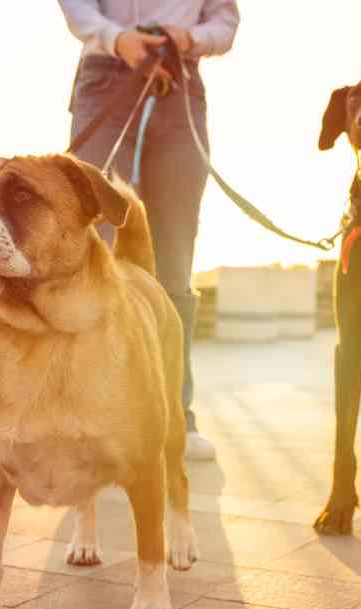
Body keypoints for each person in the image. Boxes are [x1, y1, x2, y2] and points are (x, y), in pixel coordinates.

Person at [58, 0, 239, 461]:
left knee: (174, 261)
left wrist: (190, 39)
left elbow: (224, 19)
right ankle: (89, 414)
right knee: (95, 253)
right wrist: (117, 37)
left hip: (181, 85)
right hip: (107, 77)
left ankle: (176, 414)